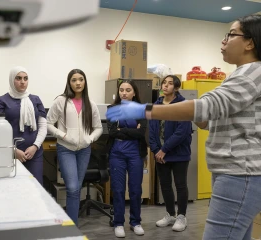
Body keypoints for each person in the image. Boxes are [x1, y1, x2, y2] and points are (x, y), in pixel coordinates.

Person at [106, 14, 261, 240]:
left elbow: (207, 107)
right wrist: (194, 113)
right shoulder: (240, 75)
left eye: (230, 34)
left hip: (240, 173)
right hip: (234, 171)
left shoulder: (250, 73)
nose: (223, 41)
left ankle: (177, 215)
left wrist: (143, 110)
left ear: (250, 42)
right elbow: (208, 119)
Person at [46, 69, 103, 226]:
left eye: (81, 79)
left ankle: (73, 225)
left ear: (85, 82)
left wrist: (90, 139)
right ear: (69, 83)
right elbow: (48, 123)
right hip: (66, 149)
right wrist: (63, 135)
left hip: (84, 150)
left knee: (76, 188)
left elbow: (98, 128)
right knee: (72, 188)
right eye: (74, 80)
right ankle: (72, 227)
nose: (78, 83)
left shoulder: (90, 104)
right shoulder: (60, 101)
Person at [149, 75, 192, 232]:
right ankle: (170, 214)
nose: (165, 86)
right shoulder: (156, 105)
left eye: (169, 83)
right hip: (160, 154)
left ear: (176, 88)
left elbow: (182, 131)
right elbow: (151, 130)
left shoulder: (183, 104)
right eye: (164, 83)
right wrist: (156, 150)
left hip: (178, 153)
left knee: (180, 185)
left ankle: (182, 217)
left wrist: (164, 149)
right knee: (165, 185)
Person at [107, 79, 148, 237]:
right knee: (118, 189)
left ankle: (135, 222)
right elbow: (112, 132)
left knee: (136, 189)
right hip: (116, 152)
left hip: (135, 153)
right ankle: (118, 223)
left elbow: (141, 133)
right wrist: (131, 130)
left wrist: (121, 129)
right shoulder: (112, 109)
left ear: (134, 93)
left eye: (128, 90)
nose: (124, 93)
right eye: (121, 90)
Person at [0, 66, 47, 185]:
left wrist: (35, 146)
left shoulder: (35, 99)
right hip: (10, 153)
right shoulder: (1, 101)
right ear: (12, 80)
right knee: (13, 188)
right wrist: (13, 150)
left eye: (25, 78)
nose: (23, 82)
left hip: (34, 153)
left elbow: (43, 126)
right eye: (18, 78)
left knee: (36, 187)